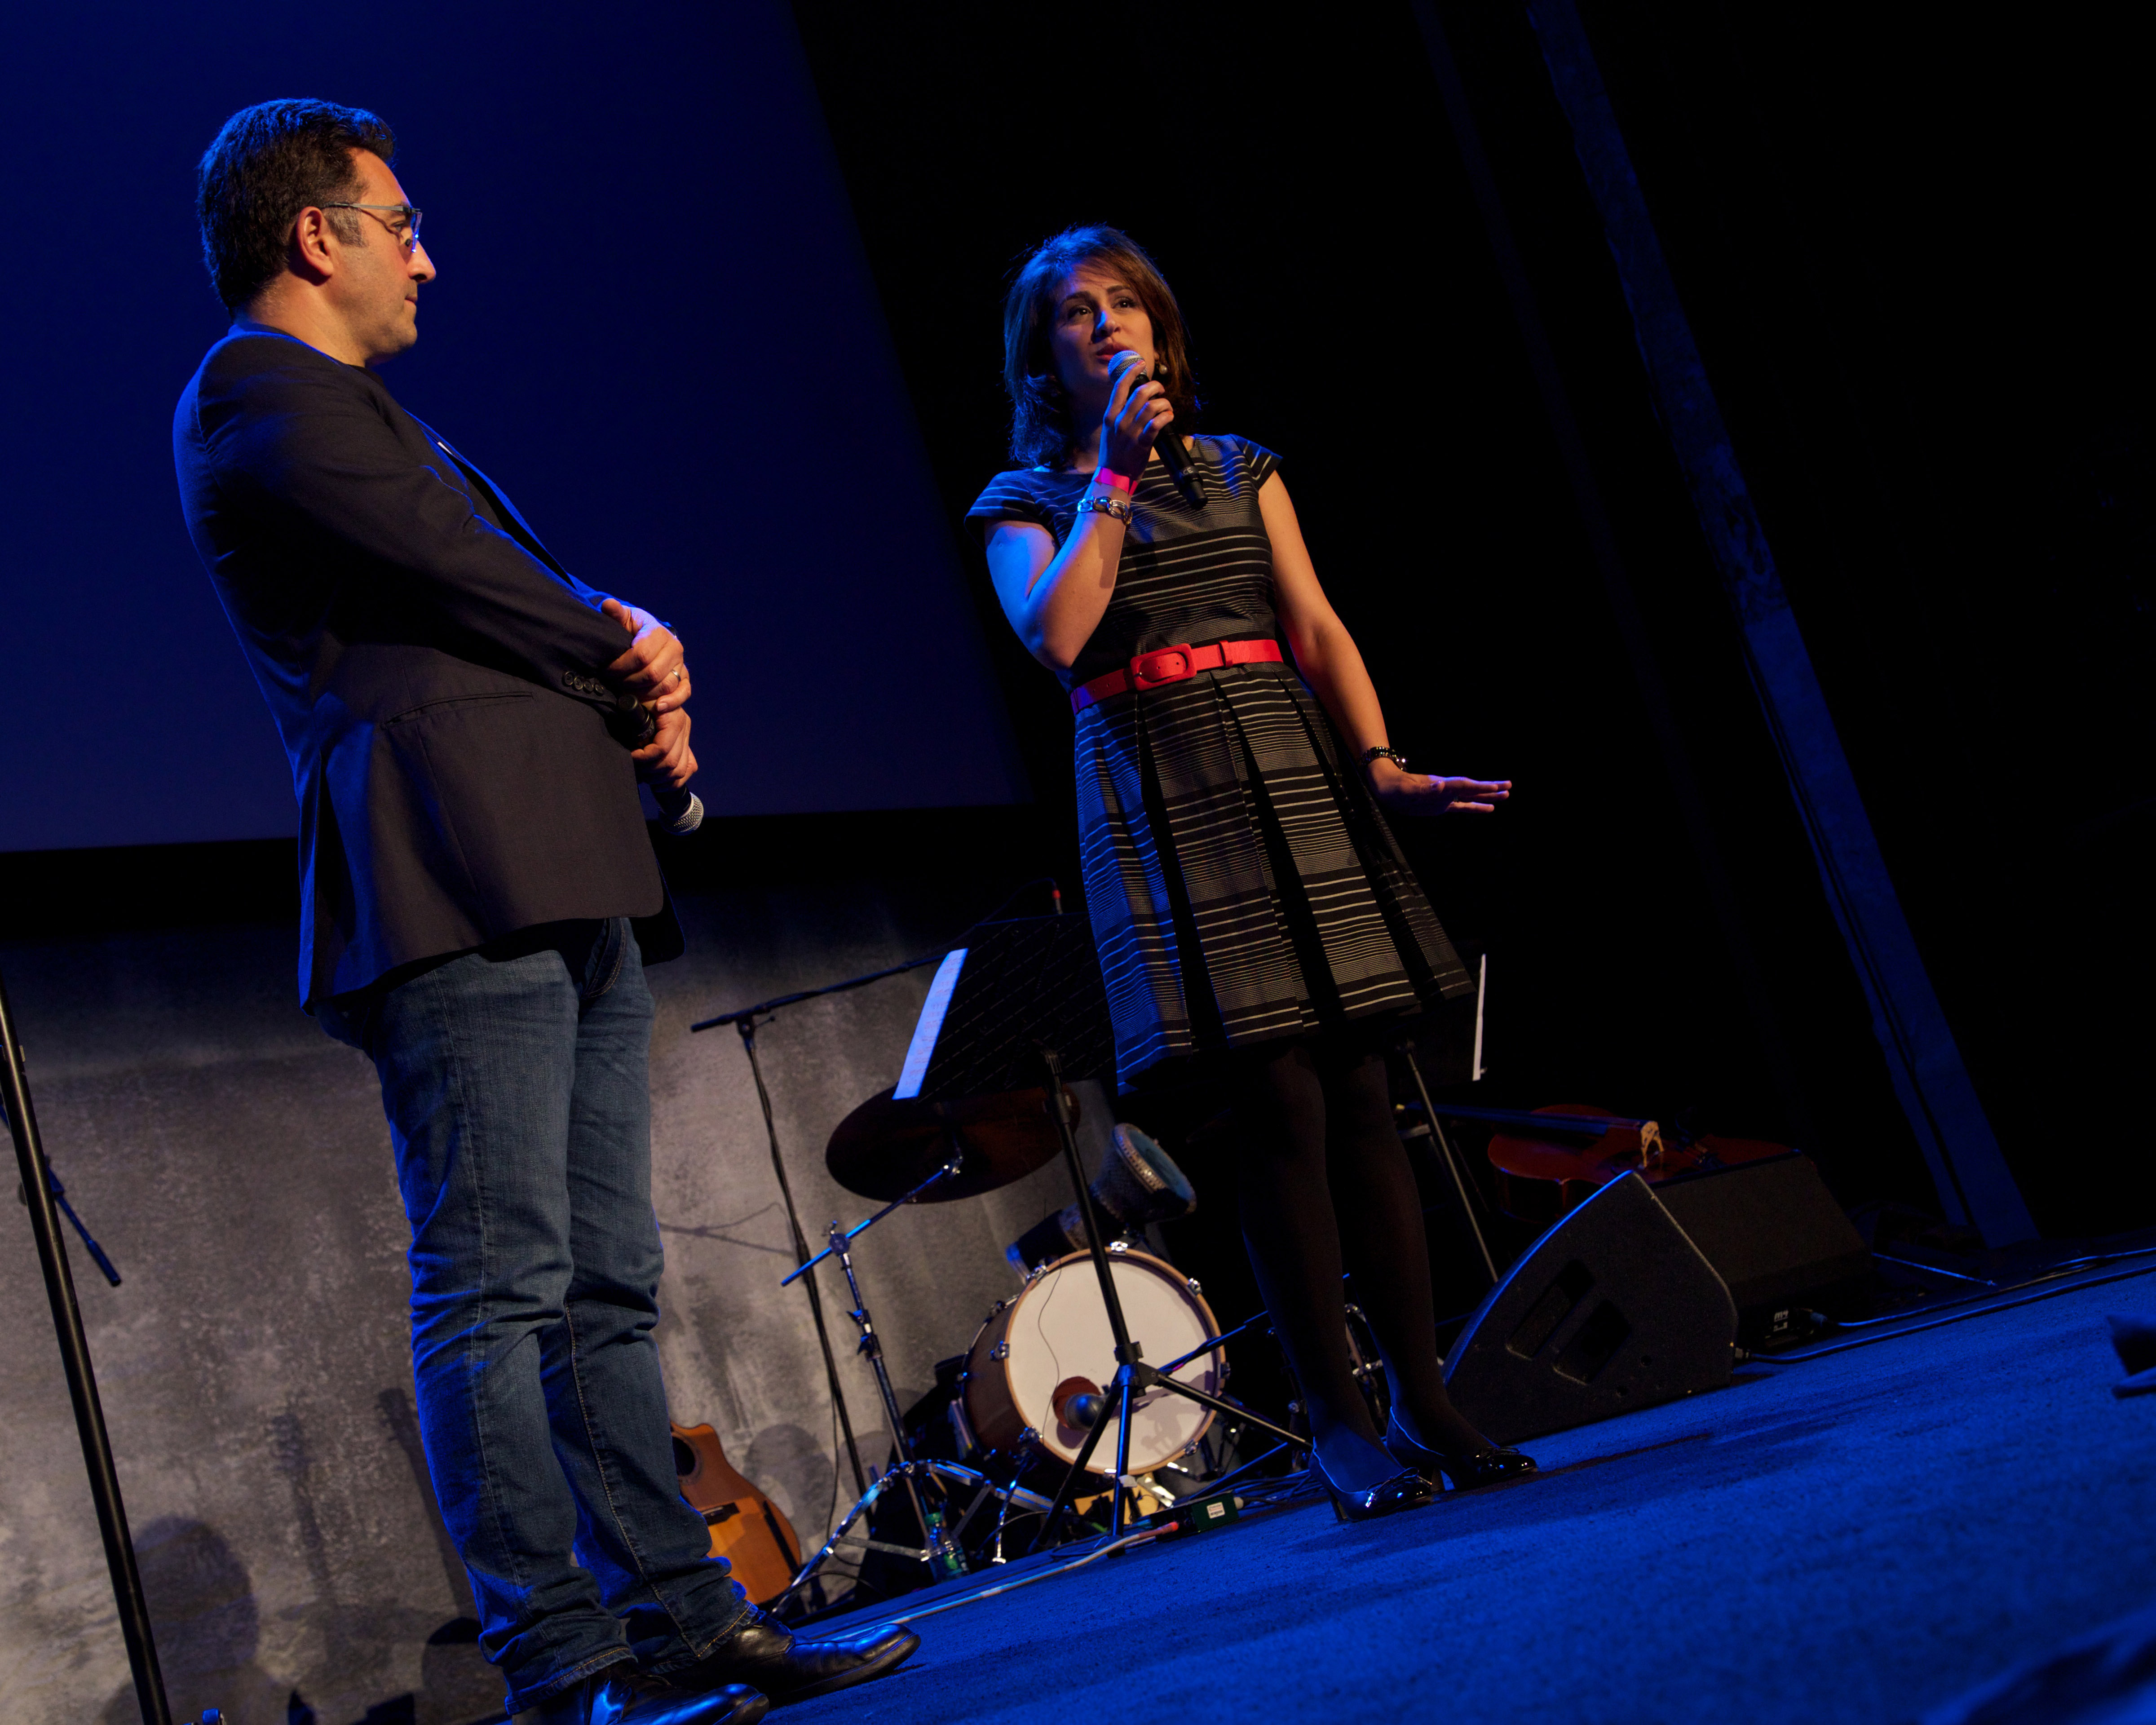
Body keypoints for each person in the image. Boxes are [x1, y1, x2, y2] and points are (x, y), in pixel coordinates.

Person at [173, 100, 916, 1724]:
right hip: (449, 883)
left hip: (555, 863)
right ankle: (561, 1661)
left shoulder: (373, 414)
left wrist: (629, 691)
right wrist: (623, 638)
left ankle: (688, 1621)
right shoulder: (255, 394)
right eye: (402, 224)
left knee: (603, 1282)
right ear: (317, 235)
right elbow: (451, 568)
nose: (428, 258)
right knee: (498, 1285)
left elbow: (480, 600)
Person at [970, 226, 1537, 1521]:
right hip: (1165, 789)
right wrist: (1112, 483)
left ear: (1161, 329)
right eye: (1077, 311)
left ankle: (1424, 1395)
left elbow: (1316, 623)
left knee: (1363, 1092)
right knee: (1277, 1105)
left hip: (1291, 762)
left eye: (1127, 303)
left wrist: (1381, 763)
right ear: (1043, 355)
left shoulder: (1240, 466)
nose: (1109, 323)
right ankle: (1336, 1422)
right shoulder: (1023, 503)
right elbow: (1061, 637)